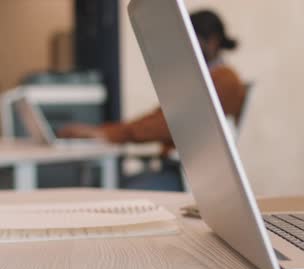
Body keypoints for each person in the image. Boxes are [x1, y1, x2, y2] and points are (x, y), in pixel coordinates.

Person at [59, 10, 245, 191]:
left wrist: (106, 134)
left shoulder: (225, 81)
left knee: (111, 192)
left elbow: (170, 125)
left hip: (187, 177)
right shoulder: (203, 79)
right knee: (106, 188)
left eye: (190, 39)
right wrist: (104, 132)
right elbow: (161, 118)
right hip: (173, 169)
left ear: (212, 41)